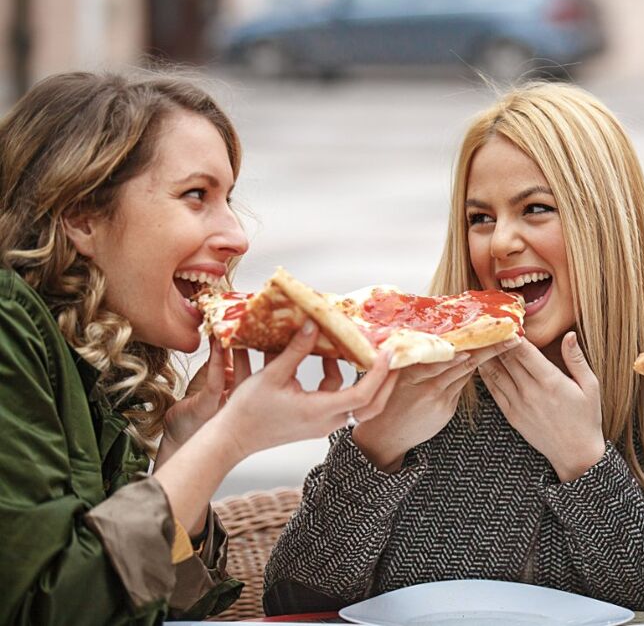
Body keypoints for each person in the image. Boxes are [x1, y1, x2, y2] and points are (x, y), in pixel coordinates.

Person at [264, 82, 644, 614]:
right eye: (480, 218)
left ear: (604, 223)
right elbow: (290, 602)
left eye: (535, 209)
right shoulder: (413, 372)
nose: (500, 243)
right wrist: (374, 449)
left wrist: (583, 461)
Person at [0, 71, 399, 625]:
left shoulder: (91, 357)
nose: (238, 235)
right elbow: (53, 611)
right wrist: (230, 442)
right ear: (81, 217)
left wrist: (189, 444)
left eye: (228, 198)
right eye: (196, 195)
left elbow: (168, 609)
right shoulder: (6, 330)